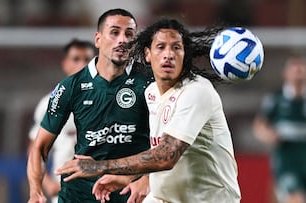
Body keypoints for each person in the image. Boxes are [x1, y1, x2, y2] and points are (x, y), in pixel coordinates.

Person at [57, 18, 241, 203]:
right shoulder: (151, 92)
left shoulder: (196, 92)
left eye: (176, 48)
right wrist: (132, 178)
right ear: (147, 54)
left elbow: (165, 156)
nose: (168, 54)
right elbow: (157, 150)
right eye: (161, 47)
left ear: (185, 55)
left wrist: (100, 166)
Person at [27, 8, 151, 203]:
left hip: (132, 193)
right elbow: (39, 147)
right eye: (114, 32)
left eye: (129, 34)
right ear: (98, 39)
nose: (123, 40)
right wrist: (36, 192)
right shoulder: (70, 87)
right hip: (80, 194)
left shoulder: (149, 83)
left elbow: (170, 146)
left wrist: (147, 178)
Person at [27, 39, 96, 203]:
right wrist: (45, 184)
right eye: (76, 59)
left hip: (101, 189)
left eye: (87, 59)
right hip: (65, 191)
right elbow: (36, 147)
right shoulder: (51, 102)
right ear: (65, 64)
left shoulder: (109, 98)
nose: (82, 64)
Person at [253, 56, 306, 203]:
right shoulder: (275, 99)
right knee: (296, 199)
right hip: (287, 163)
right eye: (294, 69)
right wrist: (268, 135)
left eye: (301, 69)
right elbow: (259, 126)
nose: (298, 73)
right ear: (286, 74)